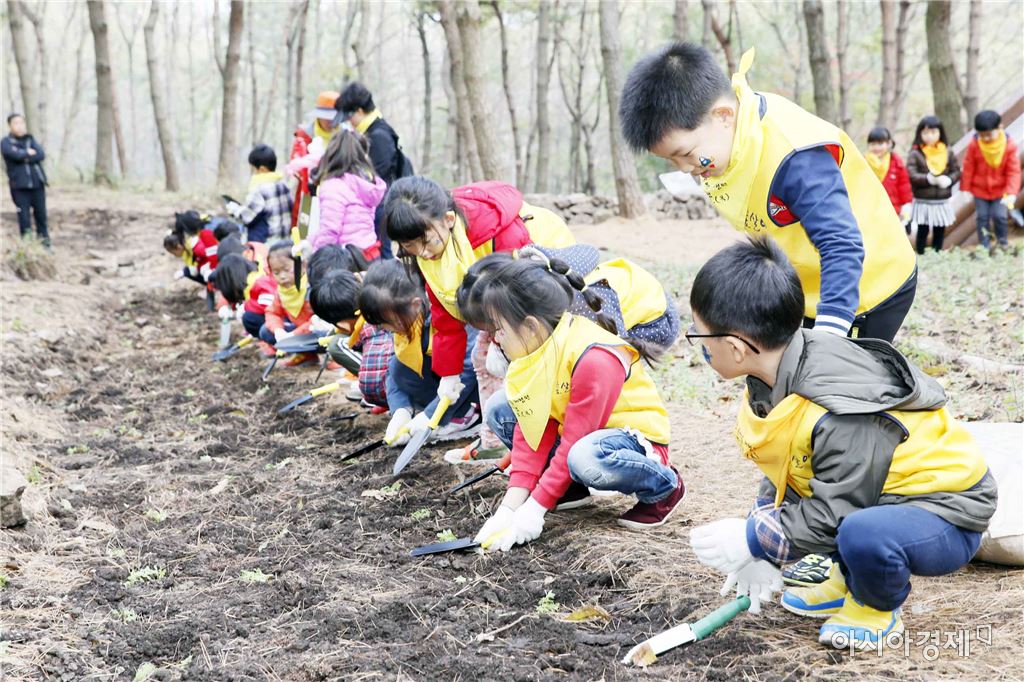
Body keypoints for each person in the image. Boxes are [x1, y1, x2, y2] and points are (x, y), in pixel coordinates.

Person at [686, 237, 995, 648]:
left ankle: (874, 606)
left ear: (737, 348)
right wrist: (761, 538)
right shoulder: (775, 376)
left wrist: (754, 540)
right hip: (877, 491)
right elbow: (790, 464)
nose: (695, 340)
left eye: (699, 334)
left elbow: (838, 510)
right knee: (839, 511)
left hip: (944, 508)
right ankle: (846, 578)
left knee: (861, 532)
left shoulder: (835, 409)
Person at [619, 43, 917, 344]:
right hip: (809, 285)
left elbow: (841, 245)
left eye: (685, 154)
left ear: (723, 115)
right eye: (671, 160)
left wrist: (830, 335)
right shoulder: (724, 145)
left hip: (868, 281)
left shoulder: (794, 155)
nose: (684, 168)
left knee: (837, 380)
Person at [460, 256, 684, 552]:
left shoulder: (593, 358)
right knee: (502, 409)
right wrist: (509, 508)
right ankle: (571, 488)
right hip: (585, 439)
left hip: (630, 440)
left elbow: (573, 439)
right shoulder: (538, 350)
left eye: (498, 329)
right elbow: (534, 429)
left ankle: (665, 488)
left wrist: (536, 507)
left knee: (583, 457)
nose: (495, 339)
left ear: (529, 326)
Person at [381, 176, 576, 460]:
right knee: (481, 360)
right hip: (495, 299)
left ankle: (541, 443)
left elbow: (524, 294)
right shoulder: (428, 251)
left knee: (526, 363)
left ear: (448, 219)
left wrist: (502, 342)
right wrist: (448, 377)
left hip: (541, 281)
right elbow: (444, 314)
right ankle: (495, 440)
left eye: (426, 242)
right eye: (410, 247)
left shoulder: (499, 234)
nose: (422, 253)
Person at [359, 260, 481, 445]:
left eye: (390, 323)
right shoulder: (407, 321)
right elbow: (394, 367)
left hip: (477, 387)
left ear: (415, 304)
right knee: (397, 366)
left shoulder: (447, 313)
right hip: (444, 388)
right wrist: (401, 410)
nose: (389, 329)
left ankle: (464, 414)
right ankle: (447, 412)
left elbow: (469, 368)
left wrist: (431, 415)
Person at [334, 82, 415, 259]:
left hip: (382, 206)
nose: (349, 122)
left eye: (349, 115)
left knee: (383, 253)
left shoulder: (378, 135)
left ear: (360, 111)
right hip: (379, 205)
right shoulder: (372, 130)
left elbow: (378, 175)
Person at [311, 130, 386, 261]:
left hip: (345, 260)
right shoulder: (365, 184)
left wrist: (316, 258)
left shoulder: (333, 186)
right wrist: (310, 240)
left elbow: (330, 230)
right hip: (370, 255)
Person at [961, 110, 1021, 252]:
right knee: (982, 217)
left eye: (988, 134)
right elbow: (968, 167)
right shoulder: (975, 145)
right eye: (982, 135)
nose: (986, 139)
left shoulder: (1009, 145)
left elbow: (1013, 171)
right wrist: (965, 188)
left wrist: (1011, 192)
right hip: (980, 190)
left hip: (1001, 191)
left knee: (1000, 216)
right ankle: (984, 245)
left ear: (1000, 127)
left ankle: (1002, 242)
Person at [906, 115, 961, 255]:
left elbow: (956, 170)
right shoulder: (915, 153)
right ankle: (920, 252)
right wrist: (928, 179)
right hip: (923, 199)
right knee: (922, 228)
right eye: (925, 133)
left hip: (942, 199)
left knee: (940, 228)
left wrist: (949, 180)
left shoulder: (947, 151)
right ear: (919, 134)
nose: (929, 136)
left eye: (933, 132)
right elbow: (912, 174)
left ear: (940, 133)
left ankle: (937, 252)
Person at [288, 90, 340, 230]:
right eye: (325, 117)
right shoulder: (304, 136)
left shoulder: (345, 135)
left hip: (338, 194)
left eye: (333, 117)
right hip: (309, 193)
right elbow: (296, 166)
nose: (329, 122)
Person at [260, 240, 316, 365]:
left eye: (286, 269)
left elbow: (318, 319)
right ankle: (305, 355)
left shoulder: (311, 287)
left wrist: (294, 334)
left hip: (316, 331)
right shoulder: (281, 292)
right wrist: (279, 330)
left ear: (302, 265)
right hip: (299, 332)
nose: (282, 276)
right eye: (276, 272)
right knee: (266, 331)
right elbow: (272, 313)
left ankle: (332, 357)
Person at [226, 144, 294, 243]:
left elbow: (246, 217)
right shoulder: (284, 185)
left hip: (267, 245)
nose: (253, 172)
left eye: (253, 169)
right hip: (285, 242)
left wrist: (233, 209)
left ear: (262, 169)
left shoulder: (259, 189)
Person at [2, 113, 48, 247]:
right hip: (19, 186)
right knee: (24, 217)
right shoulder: (6, 142)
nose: (19, 126)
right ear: (10, 126)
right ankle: (27, 245)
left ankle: (45, 244)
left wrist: (24, 155)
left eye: (21, 123)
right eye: (16, 123)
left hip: (37, 184)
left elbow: (40, 154)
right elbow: (13, 155)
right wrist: (28, 153)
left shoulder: (30, 139)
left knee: (41, 215)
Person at [210, 253, 278, 342]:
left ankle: (275, 344)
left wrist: (246, 307)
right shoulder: (249, 283)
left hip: (282, 322)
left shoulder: (257, 281)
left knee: (250, 318)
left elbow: (270, 303)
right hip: (277, 321)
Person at [864, 126, 912, 222]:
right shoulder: (863, 162)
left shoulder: (896, 163)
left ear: (889, 143)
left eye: (880, 143)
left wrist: (906, 205)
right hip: (869, 211)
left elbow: (903, 185)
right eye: (873, 144)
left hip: (893, 211)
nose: (876, 147)